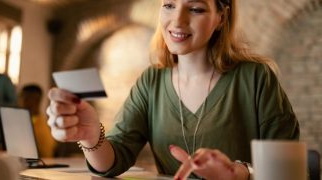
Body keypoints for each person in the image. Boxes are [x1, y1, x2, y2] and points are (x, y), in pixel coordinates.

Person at [46, 0, 300, 179]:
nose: (177, 21)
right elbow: (113, 161)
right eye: (169, 5)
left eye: (196, 8)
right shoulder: (151, 81)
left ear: (221, 17)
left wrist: (239, 175)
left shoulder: (255, 77)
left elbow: (290, 172)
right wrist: (90, 136)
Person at [18, 84, 56, 157]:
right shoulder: (25, 121)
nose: (20, 101)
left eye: (24, 98)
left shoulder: (41, 127)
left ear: (35, 100)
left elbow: (45, 155)